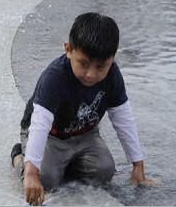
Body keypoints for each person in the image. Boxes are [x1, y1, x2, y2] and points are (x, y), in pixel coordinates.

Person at [11, 12, 159, 206]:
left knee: (103, 171)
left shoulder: (113, 75)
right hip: (51, 135)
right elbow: (39, 124)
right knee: (46, 179)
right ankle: (17, 156)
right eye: (83, 64)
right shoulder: (55, 77)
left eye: (100, 66)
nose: (90, 74)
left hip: (84, 135)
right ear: (68, 50)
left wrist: (137, 165)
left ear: (112, 58)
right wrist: (31, 173)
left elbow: (123, 119)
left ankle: (65, 163)